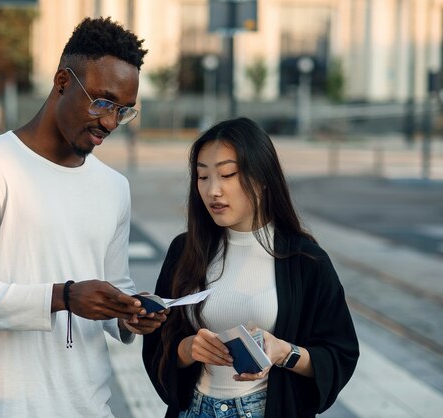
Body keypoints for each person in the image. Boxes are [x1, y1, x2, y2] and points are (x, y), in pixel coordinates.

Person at [0, 17, 166, 417]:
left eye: (123, 111)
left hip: (89, 405)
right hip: (0, 407)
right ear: (61, 81)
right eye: (103, 101)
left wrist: (129, 314)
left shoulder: (113, 187)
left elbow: (113, 284)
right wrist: (63, 296)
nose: (109, 123)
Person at [142, 118, 359, 418]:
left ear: (262, 178)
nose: (212, 191)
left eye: (227, 174)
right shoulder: (185, 250)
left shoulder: (305, 260)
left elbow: (339, 355)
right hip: (194, 409)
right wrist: (188, 349)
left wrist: (283, 352)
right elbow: (158, 345)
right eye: (202, 177)